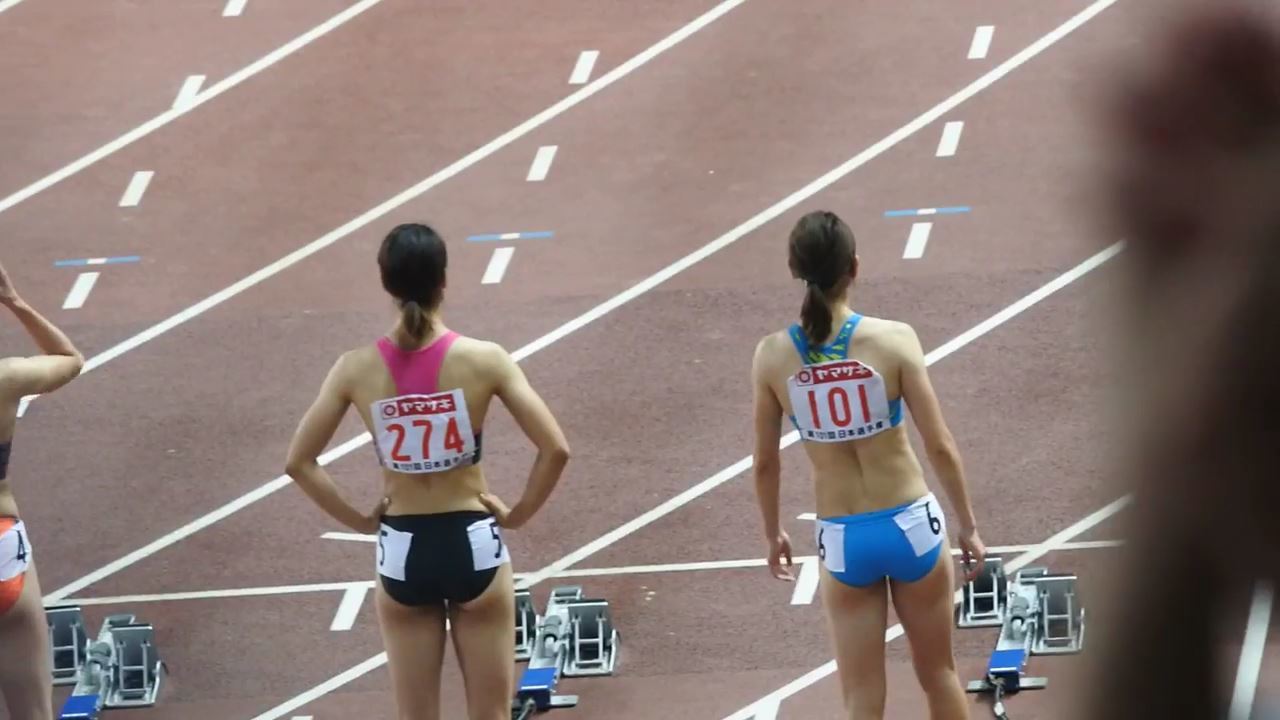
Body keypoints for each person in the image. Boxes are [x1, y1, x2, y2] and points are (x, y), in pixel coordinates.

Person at [284, 223, 570, 720]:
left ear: (386, 284)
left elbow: (299, 462)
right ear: (444, 280)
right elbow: (555, 449)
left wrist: (359, 521)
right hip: (472, 538)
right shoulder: (485, 359)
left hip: (402, 549)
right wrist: (519, 513)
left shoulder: (354, 368)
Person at [749, 210, 986, 720]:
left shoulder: (771, 357)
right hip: (910, 523)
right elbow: (939, 444)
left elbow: (766, 464)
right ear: (855, 266)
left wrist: (773, 534)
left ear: (794, 269)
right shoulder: (894, 339)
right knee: (939, 675)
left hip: (843, 536)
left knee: (861, 696)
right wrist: (967, 525)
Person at [0, 260, 85, 720]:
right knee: (33, 712)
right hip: (1, 552)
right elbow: (71, 361)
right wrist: (15, 301)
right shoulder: (6, 377)